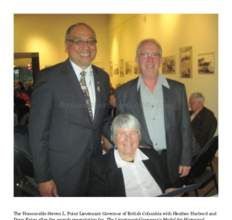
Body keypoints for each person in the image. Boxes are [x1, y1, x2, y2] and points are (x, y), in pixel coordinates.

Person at [29, 22, 110, 196]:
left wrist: (120, 133)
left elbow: (101, 119)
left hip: (96, 167)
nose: (86, 46)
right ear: (67, 45)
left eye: (91, 41)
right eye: (78, 41)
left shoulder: (102, 77)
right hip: (63, 172)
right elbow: (37, 133)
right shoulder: (49, 78)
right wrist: (43, 178)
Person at [116, 38, 192, 185]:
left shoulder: (177, 89)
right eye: (144, 54)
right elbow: (121, 130)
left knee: (173, 195)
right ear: (137, 59)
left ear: (161, 59)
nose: (150, 59)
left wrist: (186, 159)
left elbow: (185, 127)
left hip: (172, 157)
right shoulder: (124, 92)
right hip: (141, 157)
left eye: (155, 54)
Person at [88, 114, 172, 197]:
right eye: (122, 133)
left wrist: (171, 192)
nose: (128, 138)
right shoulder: (99, 166)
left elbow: (166, 185)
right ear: (113, 137)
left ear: (139, 136)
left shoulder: (153, 155)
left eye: (133, 132)